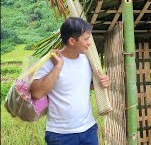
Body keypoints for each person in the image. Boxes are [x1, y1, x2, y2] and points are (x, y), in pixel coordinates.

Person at [30, 17, 110, 145]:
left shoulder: (87, 60)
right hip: (61, 135)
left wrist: (104, 82)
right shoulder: (51, 62)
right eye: (86, 39)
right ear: (72, 41)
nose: (89, 43)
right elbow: (36, 93)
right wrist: (58, 67)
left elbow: (86, 84)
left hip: (88, 130)